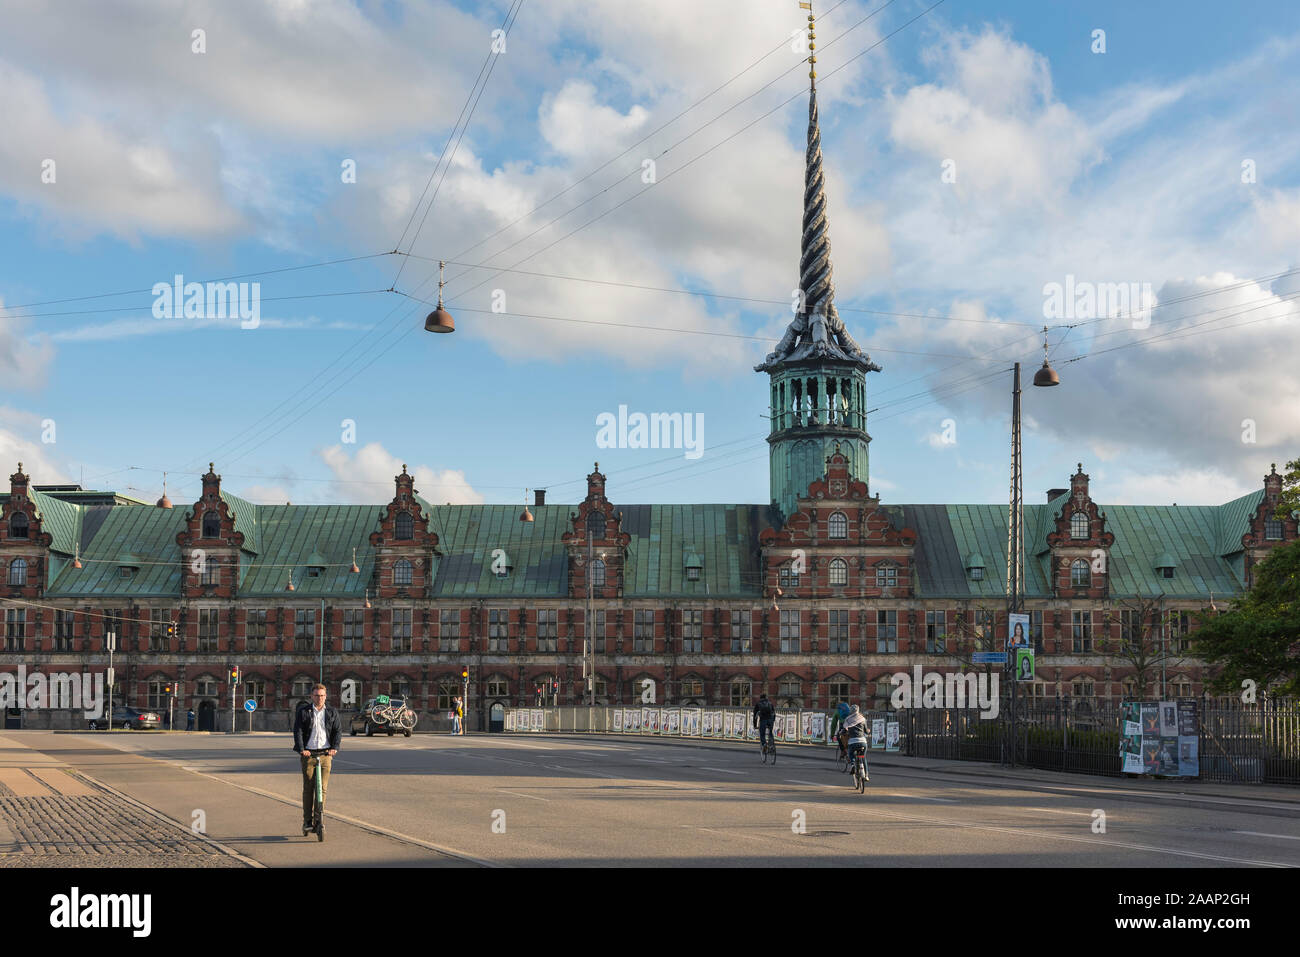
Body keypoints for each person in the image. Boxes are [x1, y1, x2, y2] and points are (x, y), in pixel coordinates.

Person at [292, 683, 340, 837]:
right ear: (311, 696)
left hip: (326, 754)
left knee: (322, 789)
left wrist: (335, 747)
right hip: (309, 754)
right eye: (316, 695)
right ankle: (307, 821)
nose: (319, 698)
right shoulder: (304, 712)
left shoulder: (332, 712)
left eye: (322, 695)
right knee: (309, 788)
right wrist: (302, 749)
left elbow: (337, 731)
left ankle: (319, 820)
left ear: (326, 697)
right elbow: (298, 731)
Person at [844, 706, 870, 782]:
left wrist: (842, 732)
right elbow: (866, 731)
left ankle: (852, 764)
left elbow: (844, 729)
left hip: (852, 742)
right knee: (863, 757)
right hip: (862, 742)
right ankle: (866, 776)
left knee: (850, 753)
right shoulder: (862, 719)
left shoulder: (848, 719)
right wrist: (868, 731)